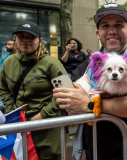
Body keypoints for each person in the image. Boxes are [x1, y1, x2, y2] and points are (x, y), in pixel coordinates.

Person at [53, 3, 127, 160]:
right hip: (94, 149)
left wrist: (88, 104)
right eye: (105, 26)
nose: (112, 31)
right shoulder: (85, 67)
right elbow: (69, 106)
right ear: (98, 34)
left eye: (118, 25)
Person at [0, 21, 67, 160]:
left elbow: (65, 91)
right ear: (15, 40)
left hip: (47, 129)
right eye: (21, 36)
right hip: (19, 129)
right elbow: (3, 88)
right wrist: (14, 112)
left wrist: (41, 116)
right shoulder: (8, 62)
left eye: (31, 37)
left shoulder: (51, 63)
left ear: (40, 41)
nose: (25, 40)